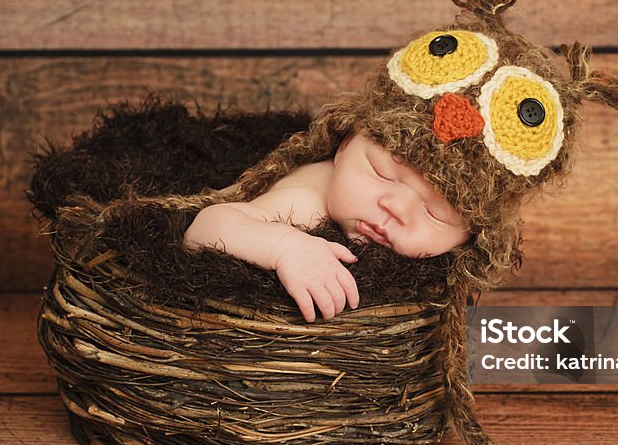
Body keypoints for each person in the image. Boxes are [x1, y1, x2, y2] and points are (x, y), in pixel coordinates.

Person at [183, 130, 471, 323]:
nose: (396, 208)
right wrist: (285, 246)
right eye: (382, 174)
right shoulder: (305, 205)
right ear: (344, 146)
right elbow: (203, 228)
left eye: (435, 213)